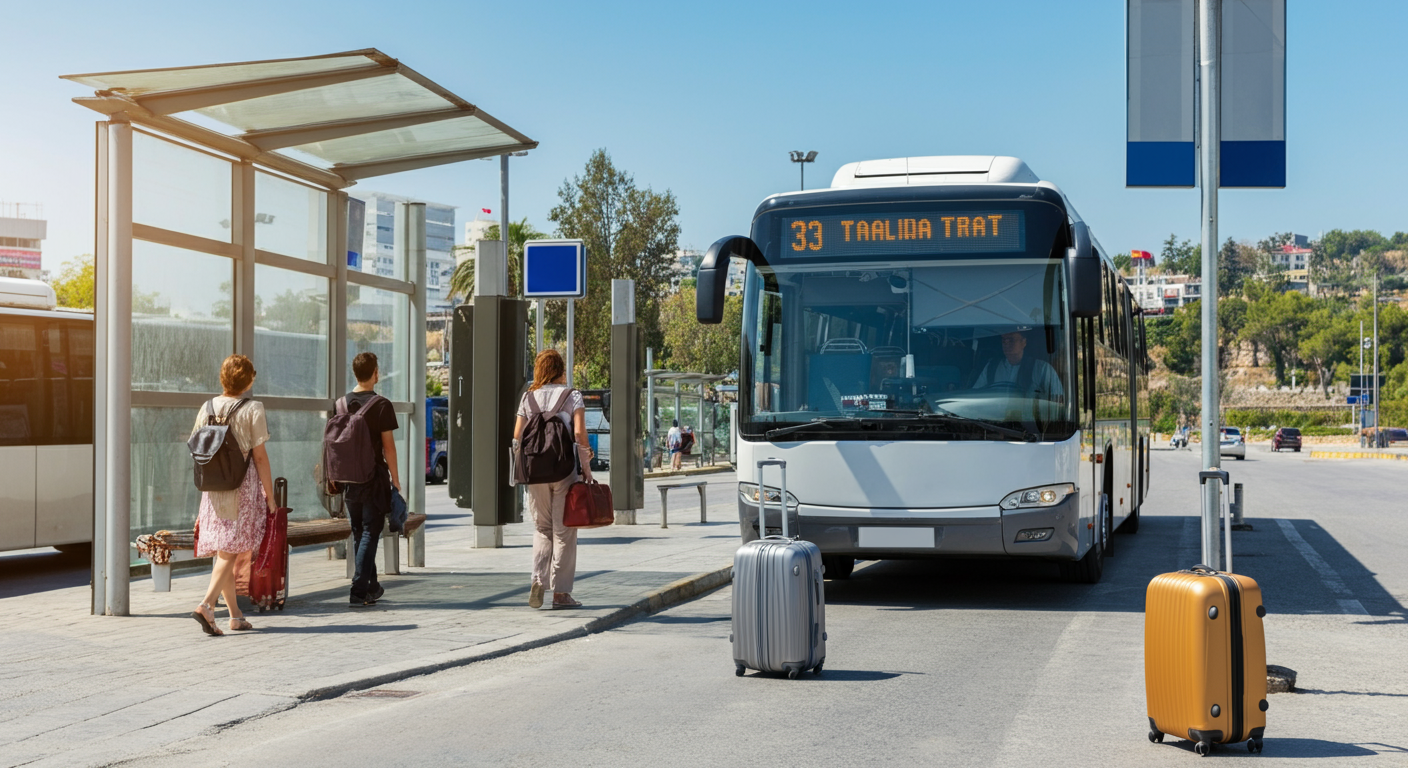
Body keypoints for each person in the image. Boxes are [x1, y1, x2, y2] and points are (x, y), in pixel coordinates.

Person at [190, 354, 277, 636]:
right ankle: (206, 605)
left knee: (223, 551)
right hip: (242, 485)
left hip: (213, 488)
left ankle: (236, 616)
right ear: (249, 379)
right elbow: (260, 457)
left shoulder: (207, 407)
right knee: (229, 551)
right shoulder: (253, 408)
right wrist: (270, 495)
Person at [515, 349, 592, 610]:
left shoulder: (528, 398)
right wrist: (587, 470)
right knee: (564, 531)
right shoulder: (572, 396)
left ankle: (538, 579)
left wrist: (520, 471)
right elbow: (579, 433)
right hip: (564, 471)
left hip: (535, 472)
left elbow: (517, 437)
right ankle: (561, 595)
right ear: (560, 370)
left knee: (542, 528)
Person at [342, 352, 400, 607]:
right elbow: (389, 447)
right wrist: (395, 481)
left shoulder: (340, 404)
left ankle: (371, 586)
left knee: (359, 532)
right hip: (373, 477)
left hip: (348, 479)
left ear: (355, 373)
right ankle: (358, 589)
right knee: (370, 531)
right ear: (375, 372)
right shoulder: (381, 405)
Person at [970, 329, 1064, 398]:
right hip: (993, 422)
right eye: (1004, 340)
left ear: (1024, 342)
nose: (1006, 344)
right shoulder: (991, 367)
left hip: (1029, 423)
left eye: (1011, 340)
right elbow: (976, 394)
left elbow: (1058, 399)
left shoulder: (1042, 369)